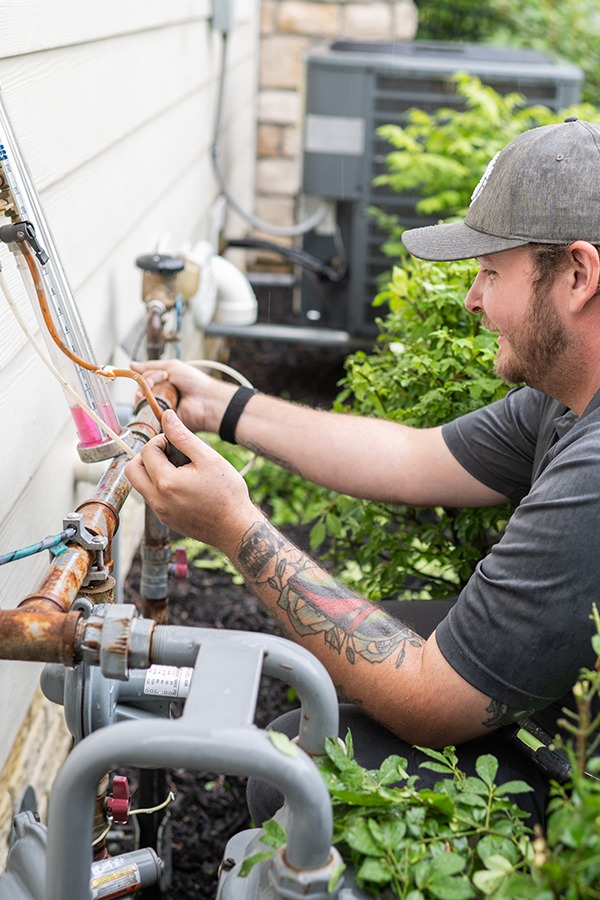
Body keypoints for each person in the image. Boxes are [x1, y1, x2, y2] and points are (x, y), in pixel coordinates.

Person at [125, 117, 600, 826]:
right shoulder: (568, 399)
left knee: (293, 769)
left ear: (578, 275)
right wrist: (223, 404)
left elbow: (433, 700)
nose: (473, 298)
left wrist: (234, 527)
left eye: (491, 271)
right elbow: (414, 458)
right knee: (341, 673)